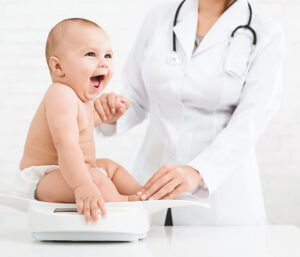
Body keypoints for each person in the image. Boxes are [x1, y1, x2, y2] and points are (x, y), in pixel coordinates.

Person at [95, 0, 284, 226]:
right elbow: (135, 95)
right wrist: (113, 112)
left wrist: (198, 171)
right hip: (150, 187)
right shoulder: (158, 18)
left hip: (221, 201)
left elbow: (252, 119)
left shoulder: (266, 32)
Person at [15, 18, 142, 224]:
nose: (103, 62)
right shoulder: (61, 94)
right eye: (91, 54)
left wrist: (107, 116)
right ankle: (126, 202)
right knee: (97, 179)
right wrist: (82, 185)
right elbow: (65, 143)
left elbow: (84, 124)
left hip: (76, 170)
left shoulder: (83, 98)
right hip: (44, 178)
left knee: (111, 167)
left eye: (108, 55)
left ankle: (144, 193)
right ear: (58, 67)